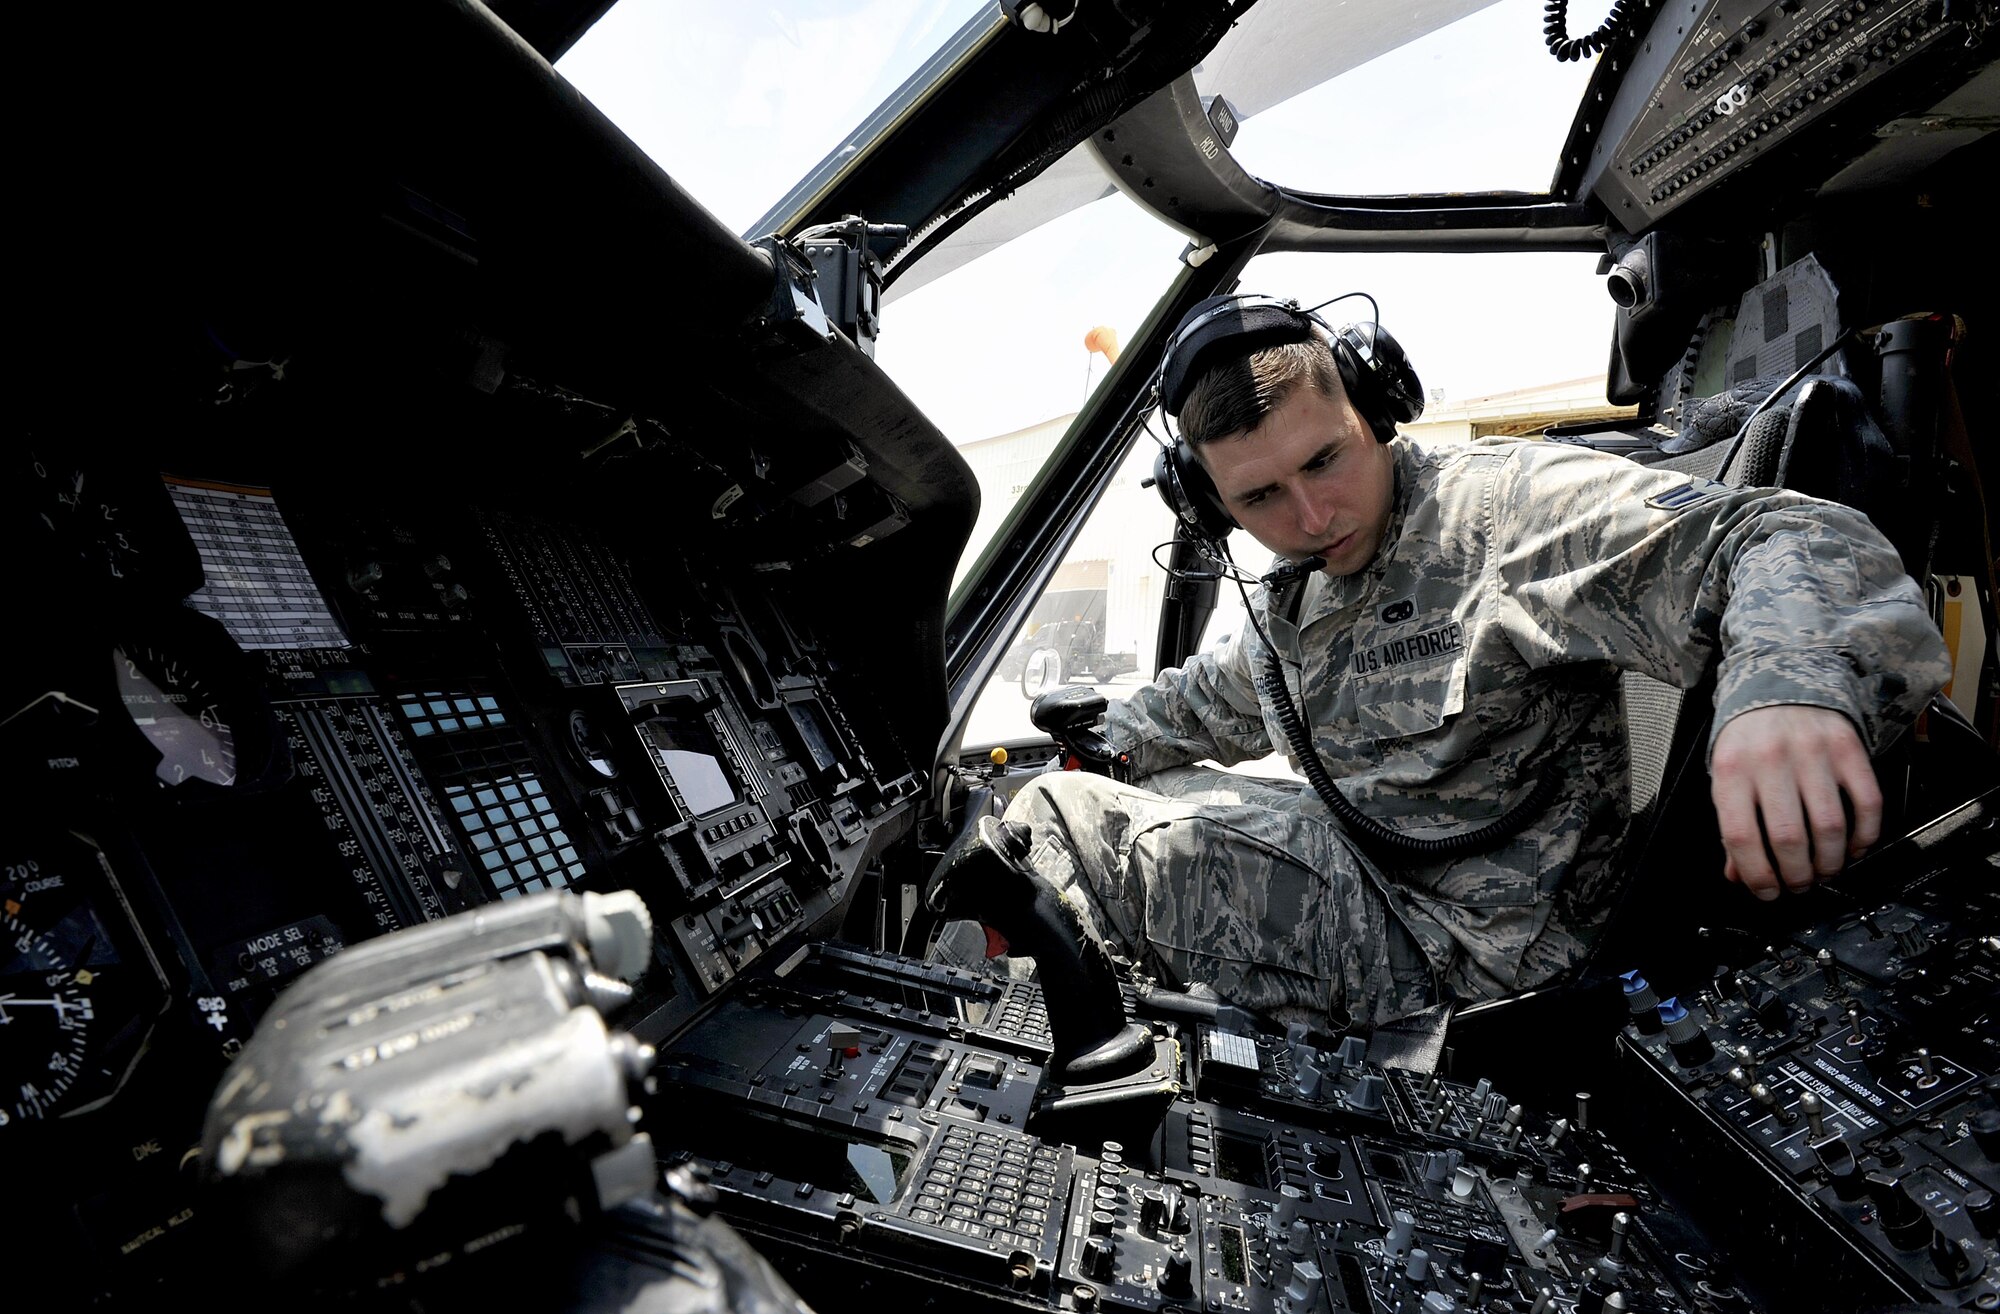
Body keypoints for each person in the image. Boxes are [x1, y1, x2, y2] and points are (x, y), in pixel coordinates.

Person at [994, 294, 1952, 1030]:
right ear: (1212, 506)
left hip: (1476, 954)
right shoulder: (1302, 590)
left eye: (1326, 460)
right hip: (1374, 872)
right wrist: (1114, 733)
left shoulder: (1504, 517)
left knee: (1053, 825)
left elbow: (1788, 536)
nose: (1312, 516)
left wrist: (1785, 692)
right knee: (1109, 793)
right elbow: (1220, 698)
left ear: (1374, 412)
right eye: (1262, 498)